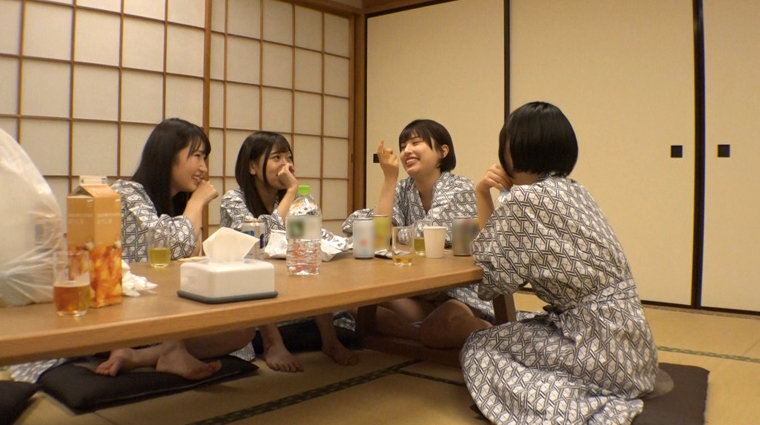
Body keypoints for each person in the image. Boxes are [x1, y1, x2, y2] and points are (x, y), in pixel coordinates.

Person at [462, 102, 658, 424]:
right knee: (519, 323)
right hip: (635, 349)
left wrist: (482, 193)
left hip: (597, 350)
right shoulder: (577, 191)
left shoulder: (525, 200)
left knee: (479, 348)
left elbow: (492, 275)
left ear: (516, 149)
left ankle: (567, 404)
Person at [96, 118, 256, 380]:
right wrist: (198, 201)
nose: (204, 168)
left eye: (205, 158)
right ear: (168, 156)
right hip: (126, 312)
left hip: (168, 314)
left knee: (243, 331)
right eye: (197, 156)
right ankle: (161, 351)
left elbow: (191, 255)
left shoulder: (178, 200)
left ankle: (143, 356)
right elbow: (174, 245)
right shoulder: (127, 193)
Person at [342, 119, 493, 349]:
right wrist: (389, 179)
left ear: (442, 152)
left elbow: (430, 231)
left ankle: (489, 332)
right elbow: (369, 232)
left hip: (460, 292)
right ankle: (423, 335)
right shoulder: (404, 188)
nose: (407, 151)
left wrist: (393, 233)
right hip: (420, 291)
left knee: (437, 326)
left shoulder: (459, 188)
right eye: (403, 146)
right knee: (355, 304)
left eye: (415, 142)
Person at [220, 131, 358, 372]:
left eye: (289, 158)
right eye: (277, 158)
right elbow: (259, 240)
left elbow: (313, 235)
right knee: (257, 271)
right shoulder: (233, 200)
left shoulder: (298, 201)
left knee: (312, 258)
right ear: (252, 167)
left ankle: (330, 341)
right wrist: (292, 190)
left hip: (288, 280)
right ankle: (273, 343)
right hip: (249, 285)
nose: (287, 166)